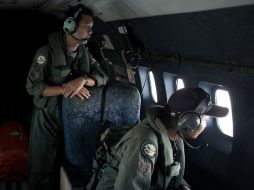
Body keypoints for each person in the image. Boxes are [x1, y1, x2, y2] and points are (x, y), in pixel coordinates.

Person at [26, 4, 108, 190]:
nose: (90, 31)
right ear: (69, 26)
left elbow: (103, 77)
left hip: (74, 119)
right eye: (87, 26)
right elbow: (33, 87)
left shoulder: (85, 53)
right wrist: (65, 89)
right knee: (41, 167)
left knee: (69, 166)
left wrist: (83, 79)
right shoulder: (45, 53)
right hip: (47, 116)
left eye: (92, 27)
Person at [92, 87, 229, 190]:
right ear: (188, 121)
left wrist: (182, 186)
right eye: (205, 118)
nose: (206, 123)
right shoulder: (146, 143)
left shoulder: (174, 135)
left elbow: (167, 170)